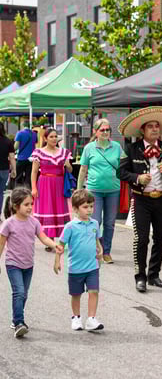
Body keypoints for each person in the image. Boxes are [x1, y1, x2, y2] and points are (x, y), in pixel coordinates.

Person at [117, 106, 162, 293]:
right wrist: (137, 178)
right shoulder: (131, 149)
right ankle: (141, 277)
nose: (155, 129)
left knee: (161, 238)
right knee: (141, 239)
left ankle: (154, 274)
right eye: (151, 126)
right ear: (142, 130)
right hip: (141, 199)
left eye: (157, 126)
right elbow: (121, 172)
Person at [0, 187, 63, 338]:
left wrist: (54, 244)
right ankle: (19, 323)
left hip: (28, 264)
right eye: (26, 204)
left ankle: (16, 318)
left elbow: (43, 237)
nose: (30, 207)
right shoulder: (9, 224)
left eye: (31, 204)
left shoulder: (34, 222)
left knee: (24, 294)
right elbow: (1, 244)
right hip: (13, 263)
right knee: (19, 292)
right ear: (16, 206)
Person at [54, 189, 104, 332]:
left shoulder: (94, 223)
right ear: (75, 209)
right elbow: (60, 245)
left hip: (92, 267)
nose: (89, 210)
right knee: (76, 294)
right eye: (85, 207)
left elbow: (96, 241)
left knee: (94, 291)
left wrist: (100, 250)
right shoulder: (70, 227)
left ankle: (91, 319)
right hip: (76, 268)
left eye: (91, 206)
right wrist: (57, 261)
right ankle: (76, 317)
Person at [77, 118, 125, 264]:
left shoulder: (117, 147)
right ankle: (95, 250)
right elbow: (83, 169)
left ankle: (107, 251)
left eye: (107, 130)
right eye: (102, 130)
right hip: (94, 190)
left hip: (113, 190)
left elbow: (124, 165)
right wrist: (79, 190)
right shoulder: (89, 148)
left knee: (110, 223)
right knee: (95, 222)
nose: (105, 132)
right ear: (95, 132)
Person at [31, 128, 73, 250]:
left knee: (59, 209)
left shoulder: (64, 152)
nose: (54, 139)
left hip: (59, 183)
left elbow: (70, 171)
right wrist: (34, 188)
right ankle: (49, 240)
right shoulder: (39, 152)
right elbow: (34, 172)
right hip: (44, 183)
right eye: (51, 137)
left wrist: (68, 165)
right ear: (45, 138)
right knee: (47, 209)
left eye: (56, 136)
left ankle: (62, 240)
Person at [14, 120, 38, 188]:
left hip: (21, 158)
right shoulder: (34, 134)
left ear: (22, 125)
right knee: (29, 177)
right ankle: (28, 191)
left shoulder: (20, 133)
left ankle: (19, 191)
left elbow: (15, 146)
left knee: (19, 176)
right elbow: (35, 146)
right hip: (31, 158)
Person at [0, 122, 16, 218]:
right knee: (0, 192)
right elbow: (12, 157)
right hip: (4, 170)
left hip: (4, 169)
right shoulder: (8, 141)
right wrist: (14, 170)